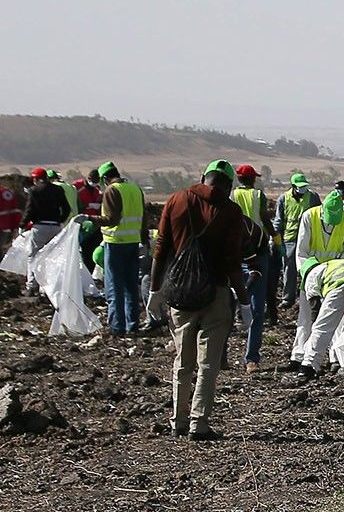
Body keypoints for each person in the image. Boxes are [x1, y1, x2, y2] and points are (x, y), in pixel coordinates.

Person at [148, 163, 248, 439]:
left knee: (183, 362)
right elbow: (232, 261)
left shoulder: (177, 199)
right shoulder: (230, 212)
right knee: (208, 364)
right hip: (215, 294)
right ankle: (198, 423)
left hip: (180, 295)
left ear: (203, 178)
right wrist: (244, 301)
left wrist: (154, 290)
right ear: (228, 185)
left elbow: (161, 248)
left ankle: (177, 422)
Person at [292, 189, 344, 363]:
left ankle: (335, 358)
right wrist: (311, 279)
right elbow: (302, 252)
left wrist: (336, 278)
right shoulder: (309, 217)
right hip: (311, 274)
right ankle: (299, 355)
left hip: (335, 278)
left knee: (335, 319)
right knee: (306, 318)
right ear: (323, 210)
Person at [292, 255, 344, 378]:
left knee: (322, 327)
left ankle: (308, 366)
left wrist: (316, 331)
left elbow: (315, 311)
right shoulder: (330, 265)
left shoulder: (311, 275)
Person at [227, 166, 273, 371]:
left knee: (227, 302)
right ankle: (251, 358)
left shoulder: (231, 195)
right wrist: (276, 237)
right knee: (256, 306)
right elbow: (264, 217)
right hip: (256, 246)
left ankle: (221, 357)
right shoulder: (257, 195)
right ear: (252, 180)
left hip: (235, 248)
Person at [96, 162, 148, 336]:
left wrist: (90, 219)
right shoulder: (135, 189)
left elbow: (111, 219)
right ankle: (132, 325)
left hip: (115, 242)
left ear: (105, 178)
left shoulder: (112, 191)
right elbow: (144, 217)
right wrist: (144, 240)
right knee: (131, 286)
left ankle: (117, 327)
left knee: (114, 287)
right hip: (133, 242)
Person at [273, 173, 320, 314]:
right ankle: (288, 299)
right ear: (293, 186)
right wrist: (276, 240)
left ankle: (312, 297)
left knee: (310, 269)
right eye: (300, 187)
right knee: (289, 269)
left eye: (305, 186)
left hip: (309, 238)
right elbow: (279, 220)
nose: (303, 189)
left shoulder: (313, 197)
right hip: (290, 239)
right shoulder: (283, 199)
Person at [22, 169, 72, 294]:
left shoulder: (33, 191)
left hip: (39, 227)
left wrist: (22, 224)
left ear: (35, 179)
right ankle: (49, 286)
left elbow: (29, 210)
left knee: (33, 256)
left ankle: (32, 285)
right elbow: (66, 208)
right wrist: (60, 220)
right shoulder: (58, 190)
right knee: (53, 257)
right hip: (55, 227)